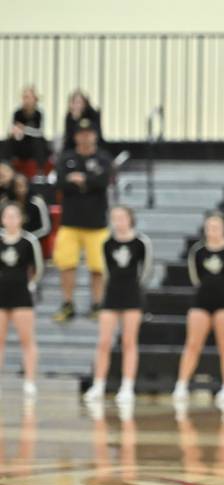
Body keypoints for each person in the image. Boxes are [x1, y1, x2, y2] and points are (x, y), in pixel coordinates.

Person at [171, 212, 224, 413]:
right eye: (209, 227)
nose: (212, 231)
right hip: (201, 301)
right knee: (192, 344)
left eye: (216, 227)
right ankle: (181, 385)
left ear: (223, 228)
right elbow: (195, 278)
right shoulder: (198, 251)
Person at [83, 206, 153, 406]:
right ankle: (98, 385)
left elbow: (146, 270)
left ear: (130, 219)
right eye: (115, 218)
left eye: (122, 217)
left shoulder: (141, 242)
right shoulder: (107, 243)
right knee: (103, 341)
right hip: (112, 295)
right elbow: (106, 270)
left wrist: (136, 289)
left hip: (132, 295)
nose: (118, 221)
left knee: (129, 342)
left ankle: (127, 386)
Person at [52, 118, 112, 322]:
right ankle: (68, 304)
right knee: (67, 265)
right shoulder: (67, 158)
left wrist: (81, 179)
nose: (85, 137)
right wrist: (86, 182)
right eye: (81, 133)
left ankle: (97, 304)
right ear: (76, 136)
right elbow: (60, 183)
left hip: (96, 224)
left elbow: (103, 182)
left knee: (97, 267)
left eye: (89, 133)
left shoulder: (103, 158)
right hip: (70, 223)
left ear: (95, 136)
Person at [0, 202, 44, 399]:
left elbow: (39, 267)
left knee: (27, 340)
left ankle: (30, 381)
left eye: (14, 216)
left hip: (21, 295)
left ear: (20, 219)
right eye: (7, 216)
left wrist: (31, 285)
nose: (10, 220)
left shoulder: (29, 241)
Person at [5, 86, 48, 172]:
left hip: (33, 144)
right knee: (7, 142)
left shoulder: (38, 114)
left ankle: (40, 171)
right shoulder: (18, 113)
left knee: (40, 142)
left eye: (29, 97)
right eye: (25, 97)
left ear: (35, 99)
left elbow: (38, 132)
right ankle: (6, 167)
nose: (27, 100)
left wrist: (24, 129)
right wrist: (16, 132)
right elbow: (15, 129)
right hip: (21, 143)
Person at [1, 174, 51, 240]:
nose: (21, 189)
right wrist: (10, 236)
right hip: (9, 239)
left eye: (24, 185)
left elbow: (46, 228)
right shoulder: (5, 202)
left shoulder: (37, 202)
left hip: (33, 239)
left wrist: (28, 238)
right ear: (12, 187)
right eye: (17, 186)